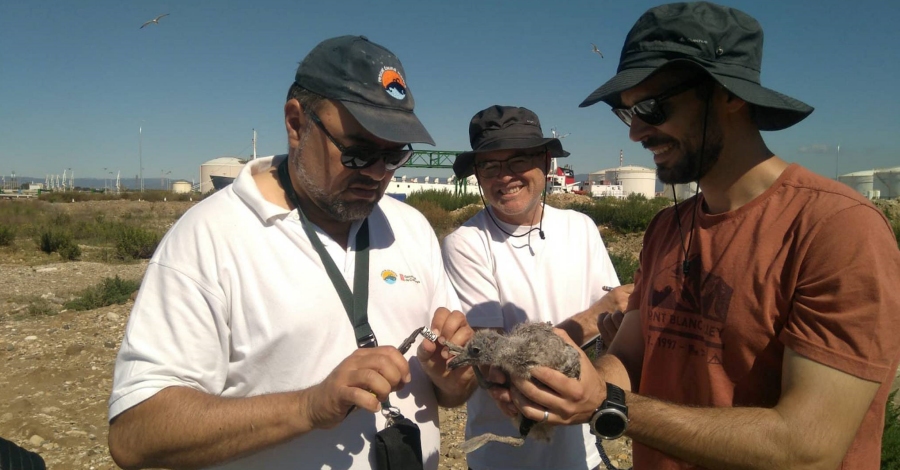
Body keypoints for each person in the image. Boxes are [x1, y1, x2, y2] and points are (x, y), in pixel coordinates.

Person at [494, 3, 900, 469]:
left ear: (730, 95)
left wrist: (609, 406)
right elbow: (629, 355)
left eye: (651, 106)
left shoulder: (837, 230)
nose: (641, 130)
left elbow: (807, 448)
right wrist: (560, 388)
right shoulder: (667, 227)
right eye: (626, 113)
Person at [107, 35, 476, 470]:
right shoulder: (208, 238)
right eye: (358, 152)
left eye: (394, 155)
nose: (378, 173)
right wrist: (307, 408)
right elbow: (135, 434)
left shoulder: (411, 228)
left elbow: (452, 393)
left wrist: (453, 377)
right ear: (296, 123)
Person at [442, 105, 633, 470]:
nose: (505, 176)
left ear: (546, 162)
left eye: (517, 161)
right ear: (478, 175)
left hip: (583, 450)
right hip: (504, 457)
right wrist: (596, 315)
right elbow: (496, 362)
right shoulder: (465, 243)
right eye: (490, 166)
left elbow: (616, 328)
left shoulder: (581, 228)